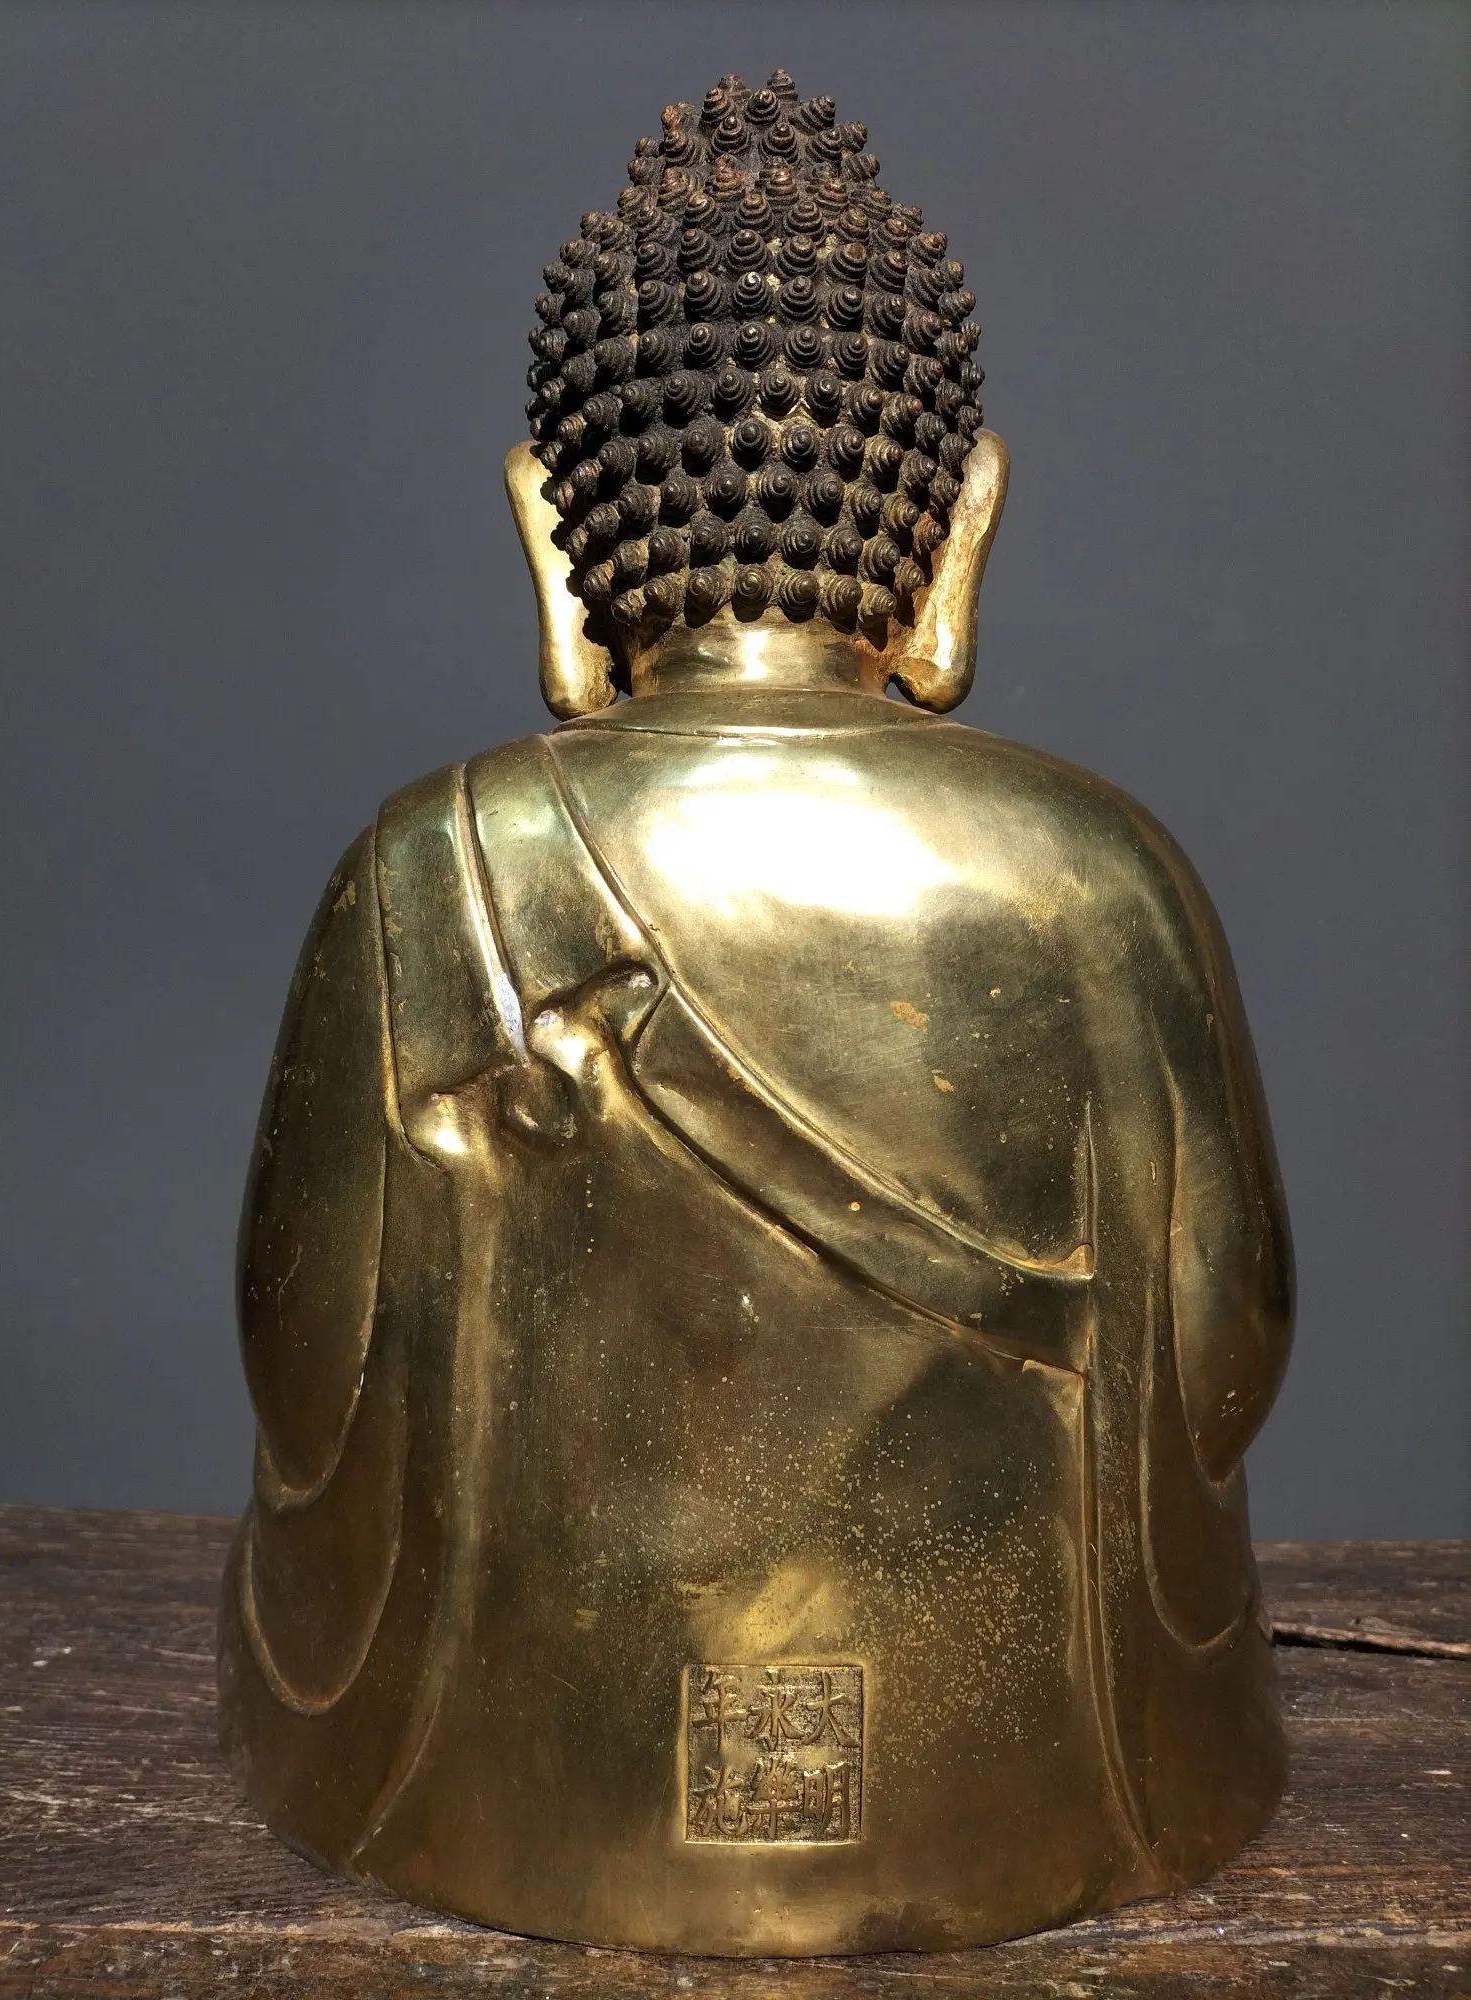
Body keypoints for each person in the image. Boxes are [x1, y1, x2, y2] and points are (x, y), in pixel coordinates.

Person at [218, 72, 1293, 1955]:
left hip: (498, 1797)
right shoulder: (1098, 872)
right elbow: (1229, 1349)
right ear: (956, 544)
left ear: (556, 548)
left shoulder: (428, 867)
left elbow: (301, 1360)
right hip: (1033, 1794)